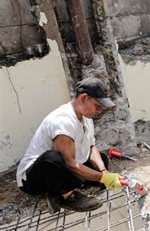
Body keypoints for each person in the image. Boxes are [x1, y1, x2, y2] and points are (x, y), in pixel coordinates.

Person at [16, 77, 124, 213]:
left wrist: (104, 172)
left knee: (102, 160)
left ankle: (56, 191)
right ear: (84, 98)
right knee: (53, 158)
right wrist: (103, 178)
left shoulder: (85, 117)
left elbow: (91, 147)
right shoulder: (63, 121)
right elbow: (69, 164)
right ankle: (68, 197)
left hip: (64, 168)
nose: (100, 110)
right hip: (34, 178)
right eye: (98, 105)